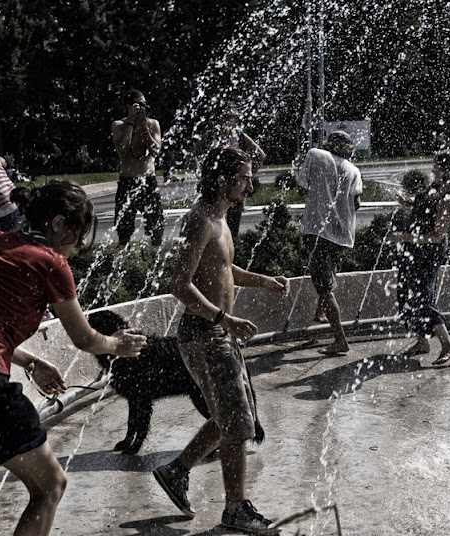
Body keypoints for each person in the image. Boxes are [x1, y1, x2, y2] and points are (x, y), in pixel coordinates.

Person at [0, 180, 147, 536]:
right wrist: (118, 345)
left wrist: (30, 363)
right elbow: (84, 338)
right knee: (50, 486)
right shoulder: (51, 262)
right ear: (59, 223)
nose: (79, 245)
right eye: (78, 233)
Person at [153, 147, 289, 535]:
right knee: (237, 422)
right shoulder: (199, 221)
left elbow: (226, 270)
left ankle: (175, 471)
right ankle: (235, 509)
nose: (251, 183)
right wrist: (222, 318)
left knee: (232, 413)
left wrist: (265, 281)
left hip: (218, 332)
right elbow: (179, 283)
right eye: (244, 178)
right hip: (205, 334)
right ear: (221, 180)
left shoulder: (220, 219)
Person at [388, 150, 450, 366]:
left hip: (429, 252)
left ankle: (448, 346)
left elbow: (437, 237)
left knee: (422, 297)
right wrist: (408, 201)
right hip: (414, 249)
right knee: (405, 293)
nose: (433, 169)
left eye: (437, 166)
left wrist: (403, 237)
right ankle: (422, 341)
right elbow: (425, 205)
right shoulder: (436, 189)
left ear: (448, 170)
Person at [296, 131, 362, 355]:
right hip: (342, 234)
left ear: (329, 144)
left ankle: (340, 340)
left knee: (324, 286)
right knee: (328, 272)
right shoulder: (354, 169)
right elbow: (357, 203)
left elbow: (301, 189)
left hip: (317, 231)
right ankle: (320, 313)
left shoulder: (315, 155)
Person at [191, 105, 266, 239]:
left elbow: (260, 155)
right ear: (220, 119)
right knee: (210, 223)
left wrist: (247, 176)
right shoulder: (211, 135)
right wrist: (200, 172)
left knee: (232, 227)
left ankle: (230, 253)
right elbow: (193, 153)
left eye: (235, 118)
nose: (232, 121)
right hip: (214, 187)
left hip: (235, 187)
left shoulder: (239, 135)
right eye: (229, 117)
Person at [111, 88, 164, 246]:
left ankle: (155, 257)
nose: (142, 108)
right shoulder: (118, 125)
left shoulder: (153, 124)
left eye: (144, 104)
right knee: (124, 230)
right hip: (127, 180)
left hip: (148, 180)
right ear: (128, 106)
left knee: (156, 226)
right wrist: (131, 123)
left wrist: (143, 127)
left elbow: (155, 151)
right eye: (138, 105)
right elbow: (122, 150)